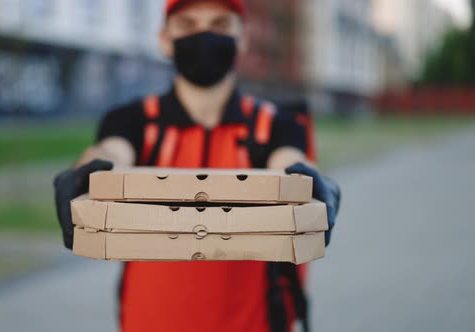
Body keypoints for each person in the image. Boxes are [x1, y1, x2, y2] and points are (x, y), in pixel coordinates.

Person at [54, 1, 341, 331]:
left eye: (219, 24)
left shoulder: (276, 124)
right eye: (188, 24)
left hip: (253, 322)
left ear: (242, 38)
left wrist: (312, 177)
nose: (204, 35)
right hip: (148, 322)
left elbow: (290, 161)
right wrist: (85, 172)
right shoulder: (134, 120)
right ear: (164, 39)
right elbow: (110, 153)